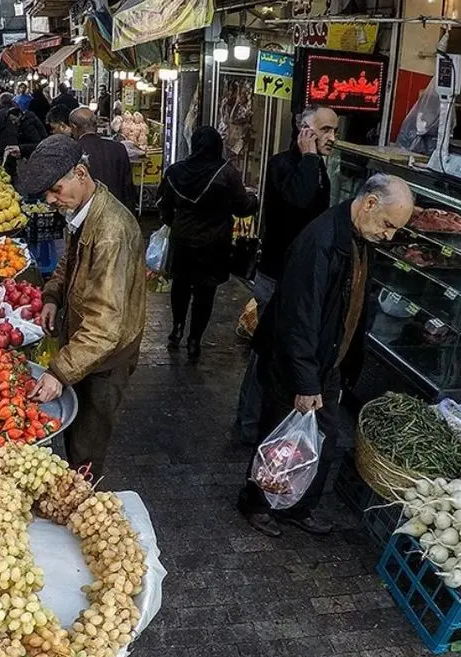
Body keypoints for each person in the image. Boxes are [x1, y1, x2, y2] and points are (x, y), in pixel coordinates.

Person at [239, 174, 414, 537]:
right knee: (281, 440)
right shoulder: (319, 242)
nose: (389, 235)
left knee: (322, 439)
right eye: (388, 225)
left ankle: (298, 505)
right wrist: (305, 381)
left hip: (328, 360)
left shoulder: (360, 237)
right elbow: (298, 317)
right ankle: (257, 503)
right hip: (296, 362)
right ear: (369, 203)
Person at [17, 135, 147, 479]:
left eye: (55, 189)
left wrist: (59, 372)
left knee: (86, 448)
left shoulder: (111, 232)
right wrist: (52, 296)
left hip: (105, 359)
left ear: (80, 172)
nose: (50, 199)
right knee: (76, 432)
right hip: (84, 347)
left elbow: (106, 327)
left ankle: (83, 502)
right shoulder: (85, 209)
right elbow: (70, 262)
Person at [235, 104, 339, 445]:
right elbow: (297, 200)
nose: (332, 138)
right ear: (305, 131)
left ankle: (267, 419)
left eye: (335, 131)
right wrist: (309, 157)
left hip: (300, 276)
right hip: (276, 276)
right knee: (265, 350)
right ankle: (248, 423)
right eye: (324, 130)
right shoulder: (283, 164)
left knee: (284, 351)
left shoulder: (320, 167)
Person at [158, 127, 259, 359]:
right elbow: (242, 207)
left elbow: (164, 205)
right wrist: (254, 200)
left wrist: (175, 223)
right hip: (214, 244)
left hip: (182, 239)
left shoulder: (176, 171)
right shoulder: (227, 173)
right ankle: (194, 340)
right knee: (205, 292)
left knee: (180, 286)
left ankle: (177, 329)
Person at [69, 107, 134, 208]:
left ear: (74, 127)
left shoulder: (71, 150)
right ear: (95, 126)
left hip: (85, 213)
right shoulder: (118, 148)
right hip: (115, 211)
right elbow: (128, 189)